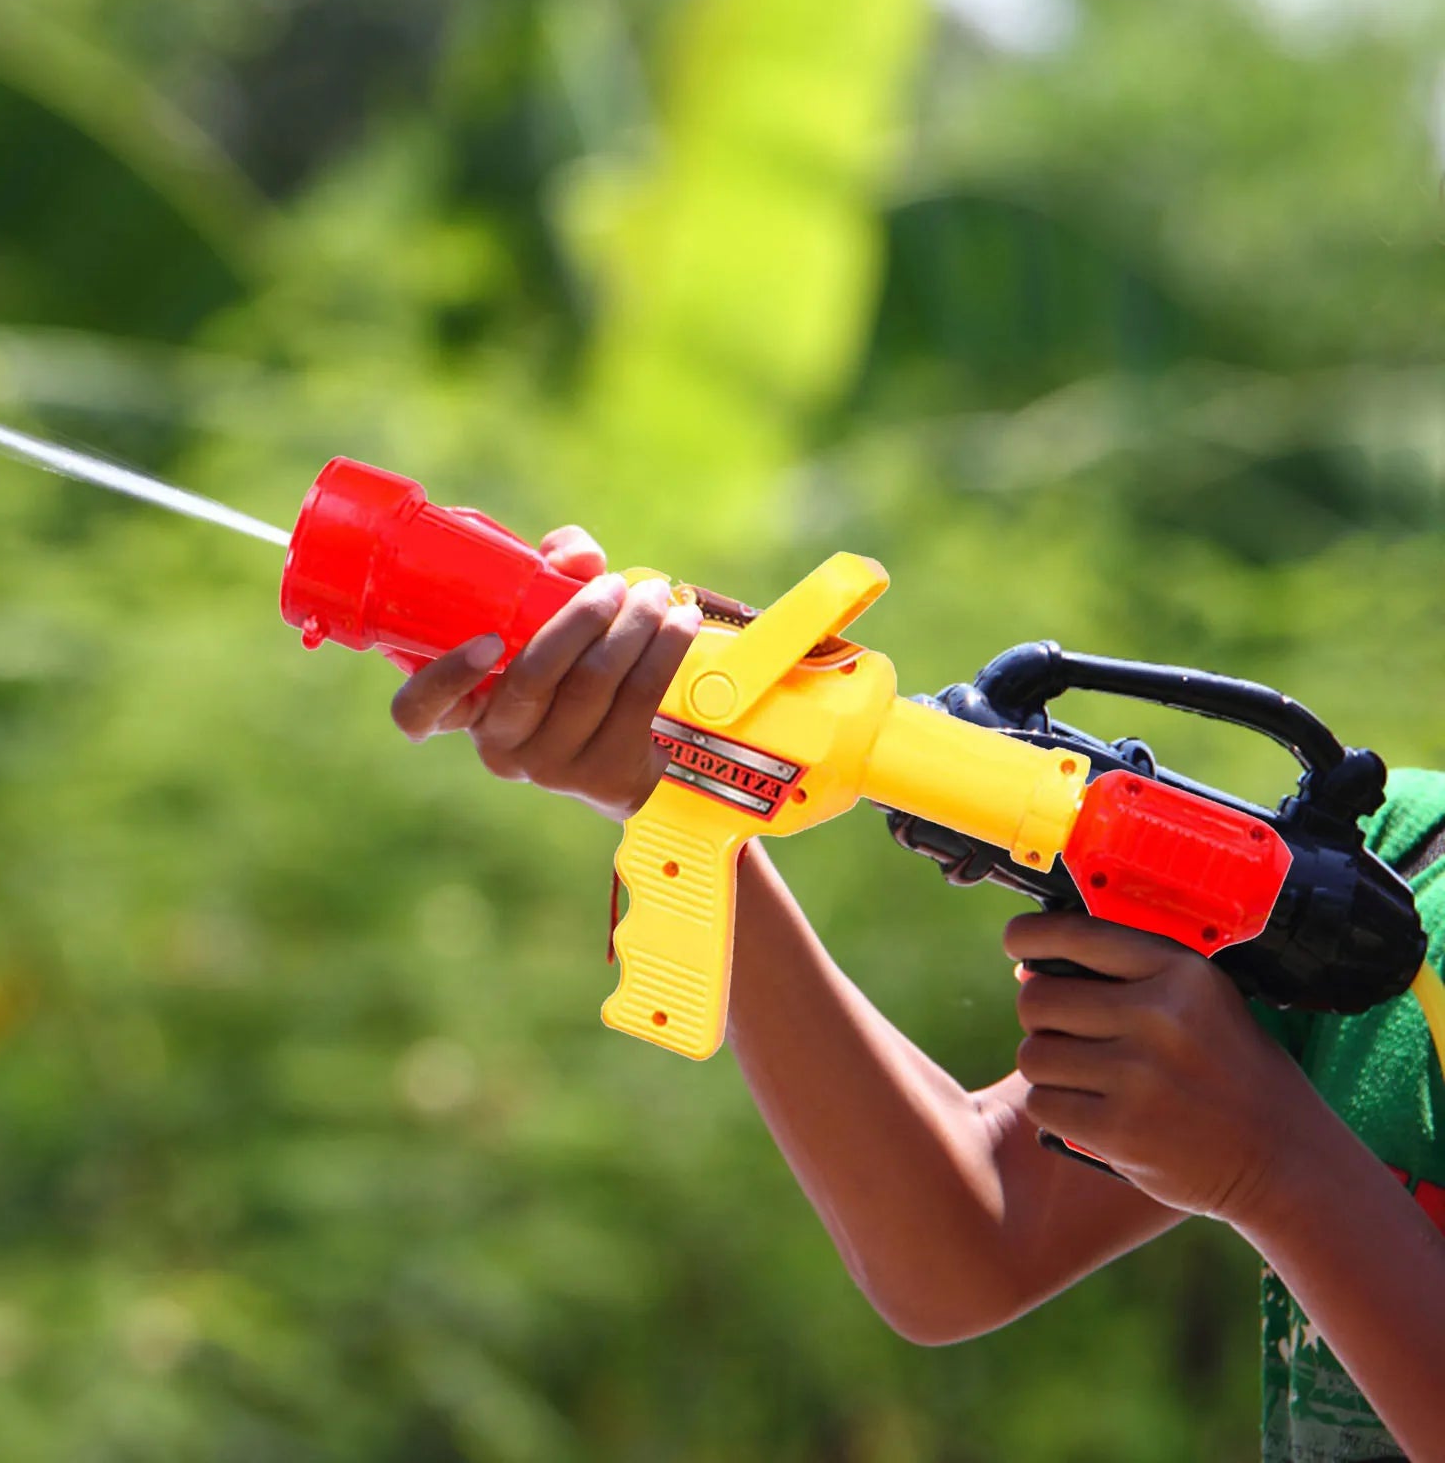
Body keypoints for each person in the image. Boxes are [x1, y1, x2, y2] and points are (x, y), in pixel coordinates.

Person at [389, 528, 1445, 1463]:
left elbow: (1244, 1166)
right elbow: (970, 1237)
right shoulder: (1394, 877)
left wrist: (1276, 1166)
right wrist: (679, 776)